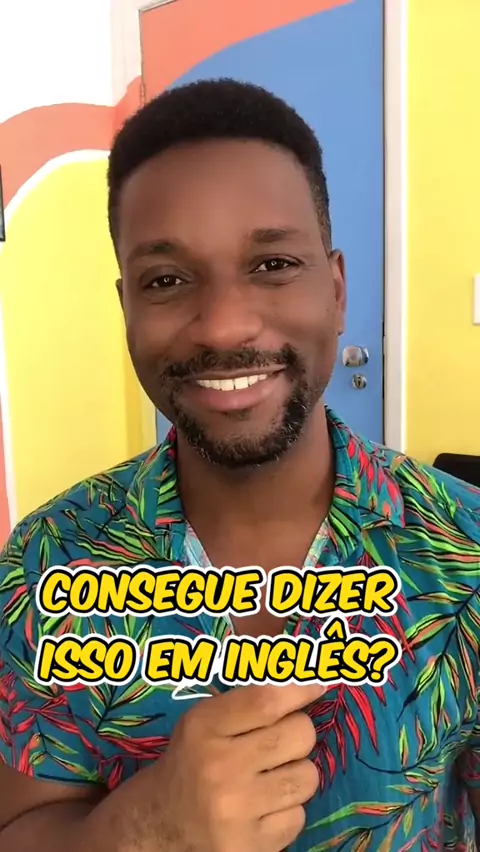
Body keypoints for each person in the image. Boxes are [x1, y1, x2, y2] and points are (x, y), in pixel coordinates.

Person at [0, 79, 479, 852]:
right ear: (127, 308)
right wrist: (146, 827)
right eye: (166, 280)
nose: (224, 325)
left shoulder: (466, 551)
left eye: (272, 263)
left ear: (336, 290)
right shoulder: (47, 560)